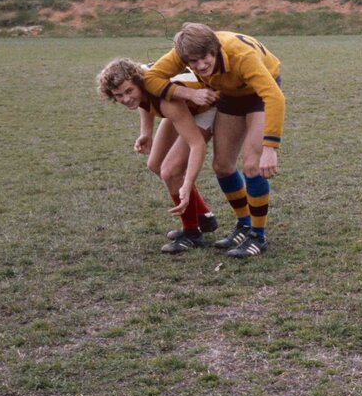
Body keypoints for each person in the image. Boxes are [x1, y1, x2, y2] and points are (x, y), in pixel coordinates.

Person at [144, 23, 285, 259]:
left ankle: (258, 237)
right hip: (229, 95)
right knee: (222, 166)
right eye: (193, 62)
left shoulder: (242, 55)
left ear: (215, 48)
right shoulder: (183, 52)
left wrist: (270, 147)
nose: (199, 66)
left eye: (204, 59)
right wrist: (188, 93)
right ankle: (244, 224)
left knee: (252, 165)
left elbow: (274, 97)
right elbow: (150, 78)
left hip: (259, 94)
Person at [97, 58, 218, 253]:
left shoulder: (165, 98)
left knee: (170, 172)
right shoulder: (142, 82)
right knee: (156, 164)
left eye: (129, 91)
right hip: (183, 104)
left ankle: (192, 234)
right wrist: (146, 132)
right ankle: (204, 216)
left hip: (205, 109)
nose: (126, 99)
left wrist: (187, 184)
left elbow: (197, 145)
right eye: (118, 95)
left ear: (139, 83)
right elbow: (143, 102)